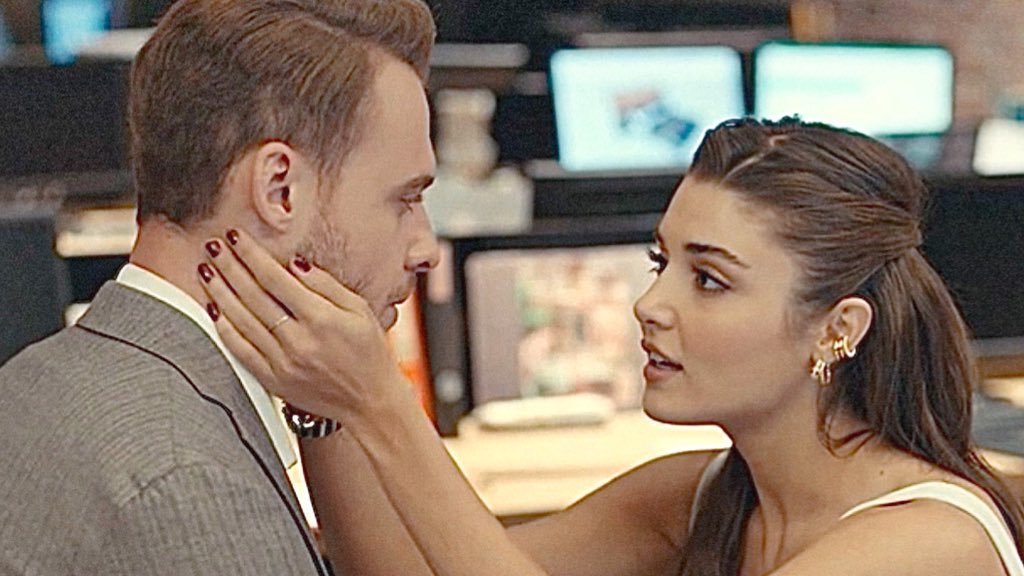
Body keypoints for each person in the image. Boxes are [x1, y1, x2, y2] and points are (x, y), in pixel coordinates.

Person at [199, 117, 1024, 576]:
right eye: (663, 265)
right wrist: (322, 400)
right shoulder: (700, 497)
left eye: (709, 280)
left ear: (837, 329)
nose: (649, 305)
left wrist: (381, 402)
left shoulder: (927, 545)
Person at [0, 0, 439, 574]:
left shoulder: (28, 382)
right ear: (280, 190)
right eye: (406, 199)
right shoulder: (192, 481)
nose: (425, 249)